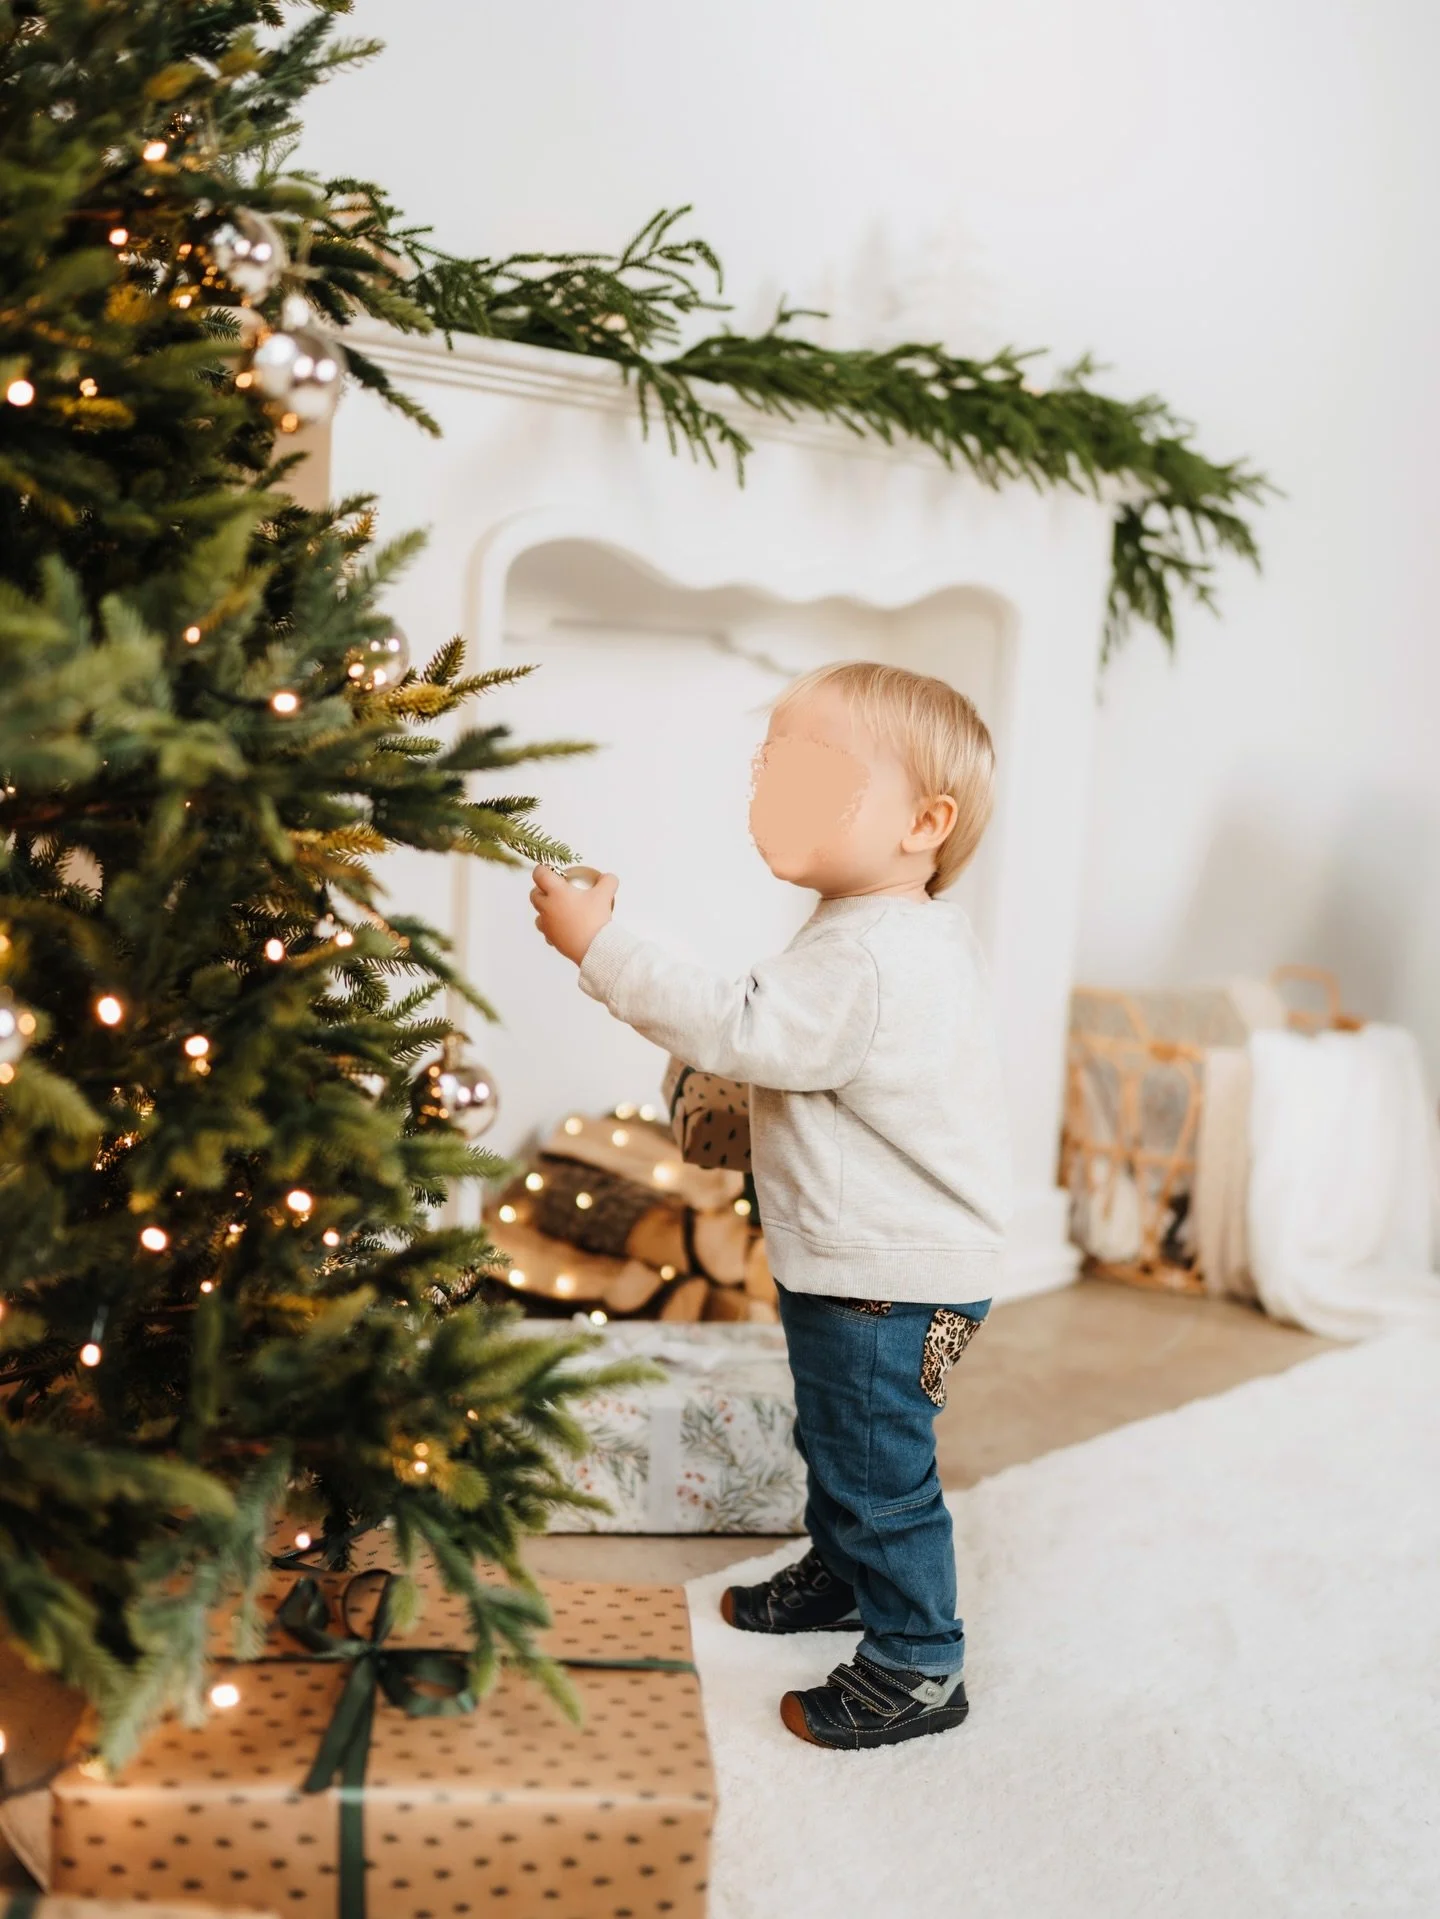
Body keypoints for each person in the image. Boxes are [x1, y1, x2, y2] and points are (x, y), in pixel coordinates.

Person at [529, 659, 1011, 1750]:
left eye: (814, 770)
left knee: (881, 1471)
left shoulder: (875, 954)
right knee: (841, 1441)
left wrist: (601, 945)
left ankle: (919, 1659)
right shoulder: (880, 933)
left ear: (923, 823)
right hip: (863, 1265)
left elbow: (738, 1024)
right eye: (769, 765)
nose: (773, 790)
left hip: (887, 1279)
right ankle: (843, 1572)